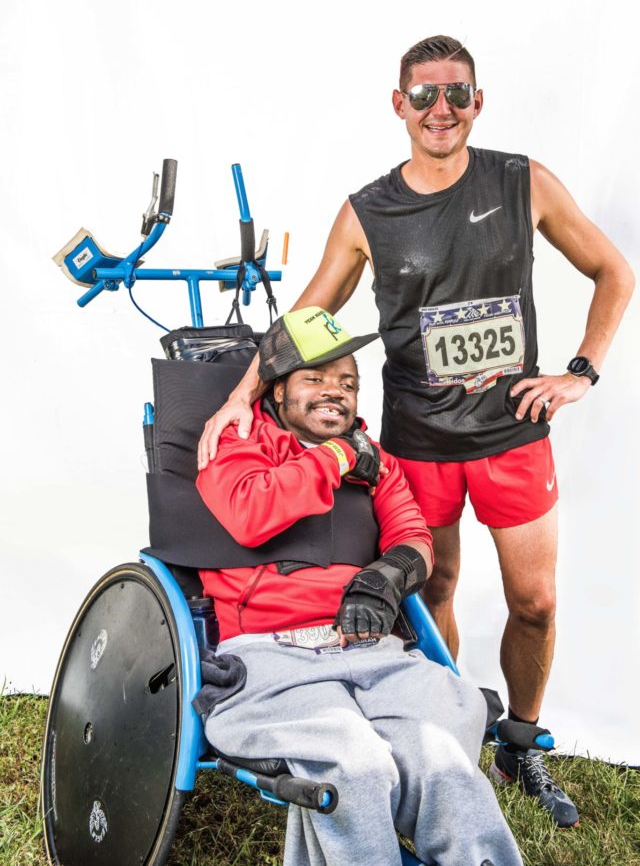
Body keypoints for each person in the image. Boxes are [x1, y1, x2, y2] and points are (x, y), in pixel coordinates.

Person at [197, 36, 635, 827]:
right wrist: (240, 395)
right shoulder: (368, 210)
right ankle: (447, 736)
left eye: (457, 93)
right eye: (425, 95)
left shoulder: (522, 180)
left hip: (513, 435)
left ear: (478, 101)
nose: (443, 109)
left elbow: (615, 270)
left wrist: (582, 371)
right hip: (418, 441)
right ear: (399, 106)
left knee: (533, 600)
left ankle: (521, 740)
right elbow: (306, 316)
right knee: (430, 592)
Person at [196, 305, 523, 866]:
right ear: (276, 393)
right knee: (355, 763)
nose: (335, 393)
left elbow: (416, 539)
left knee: (444, 752)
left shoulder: (382, 466)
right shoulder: (238, 443)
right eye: (316, 379)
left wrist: (384, 578)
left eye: (347, 383)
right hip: (274, 657)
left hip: (371, 651)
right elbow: (252, 513)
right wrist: (339, 454)